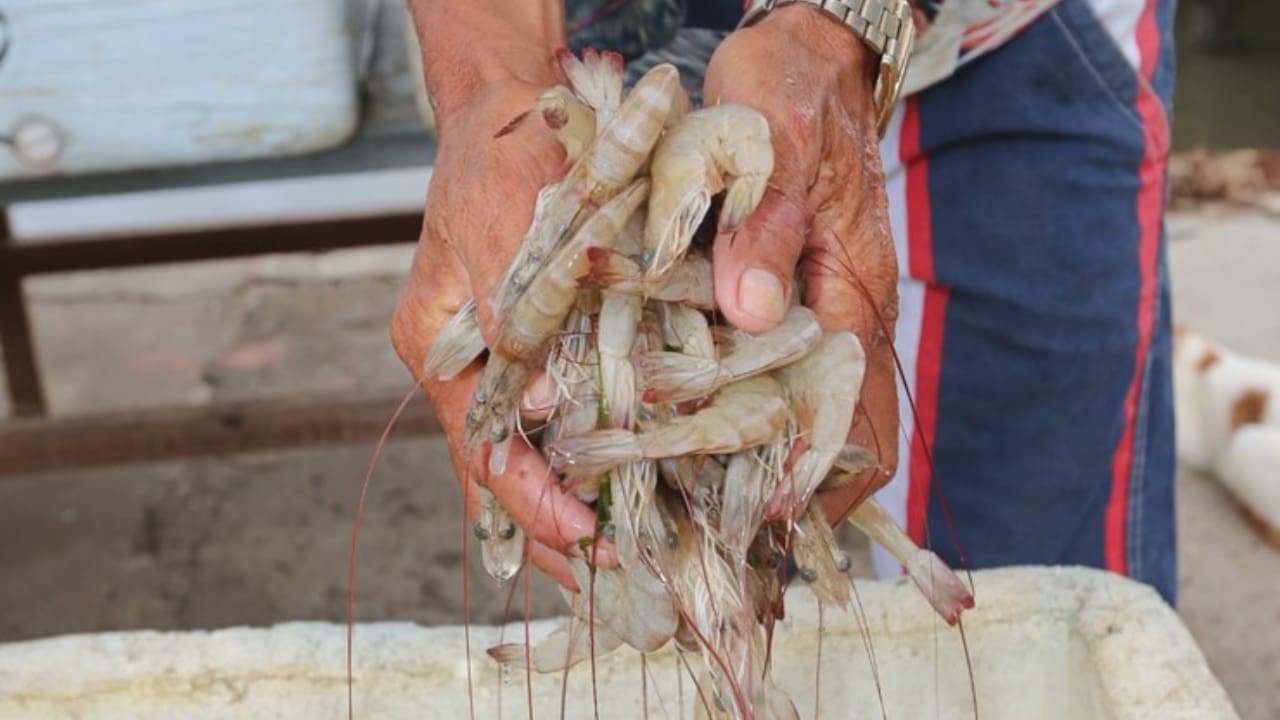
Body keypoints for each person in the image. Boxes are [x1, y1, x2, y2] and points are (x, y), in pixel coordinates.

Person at [390, 0, 1178, 605]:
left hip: (994, 44)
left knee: (1028, 580)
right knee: (673, 558)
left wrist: (840, 18)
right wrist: (484, 86)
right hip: (609, 32)